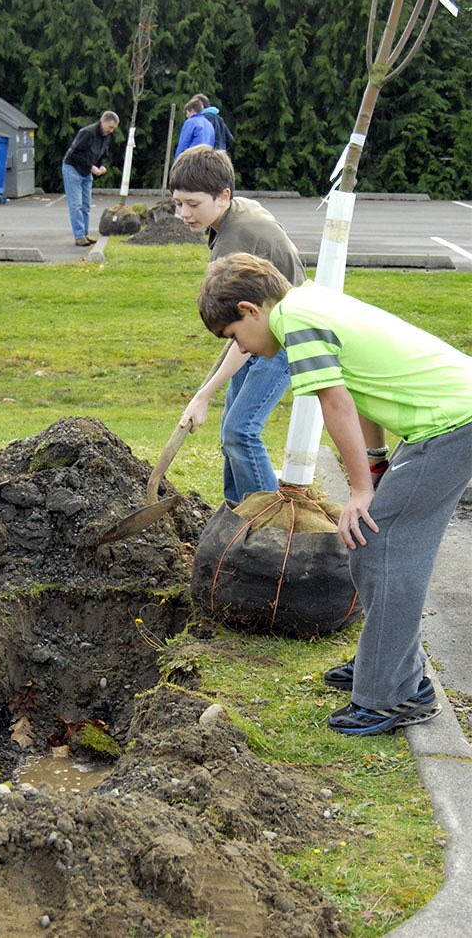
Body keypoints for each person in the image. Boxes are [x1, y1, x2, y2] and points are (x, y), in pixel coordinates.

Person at [198, 252, 472, 736]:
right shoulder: (307, 304)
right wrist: (377, 458)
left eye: (234, 338)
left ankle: (392, 696)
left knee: (382, 544)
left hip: (452, 423)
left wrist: (361, 489)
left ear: (249, 310)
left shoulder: (295, 322)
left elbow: (335, 400)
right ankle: (386, 668)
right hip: (444, 420)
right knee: (377, 545)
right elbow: (359, 385)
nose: (243, 349)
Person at [170, 144, 305, 501]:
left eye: (193, 204)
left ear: (223, 195)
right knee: (231, 433)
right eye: (178, 203)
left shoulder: (236, 239)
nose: (183, 213)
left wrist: (204, 394)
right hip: (260, 328)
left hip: (283, 337)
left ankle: (267, 526)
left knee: (241, 432)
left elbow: (246, 335)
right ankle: (234, 516)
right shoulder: (233, 213)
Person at [62, 111, 119, 246]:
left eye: (113, 129)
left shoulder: (106, 136)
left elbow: (104, 154)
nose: (111, 131)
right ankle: (79, 235)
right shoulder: (87, 133)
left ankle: (85, 234)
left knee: (86, 205)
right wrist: (91, 167)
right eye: (110, 127)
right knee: (76, 205)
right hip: (73, 169)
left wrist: (102, 165)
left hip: (86, 171)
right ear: (103, 122)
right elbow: (75, 153)